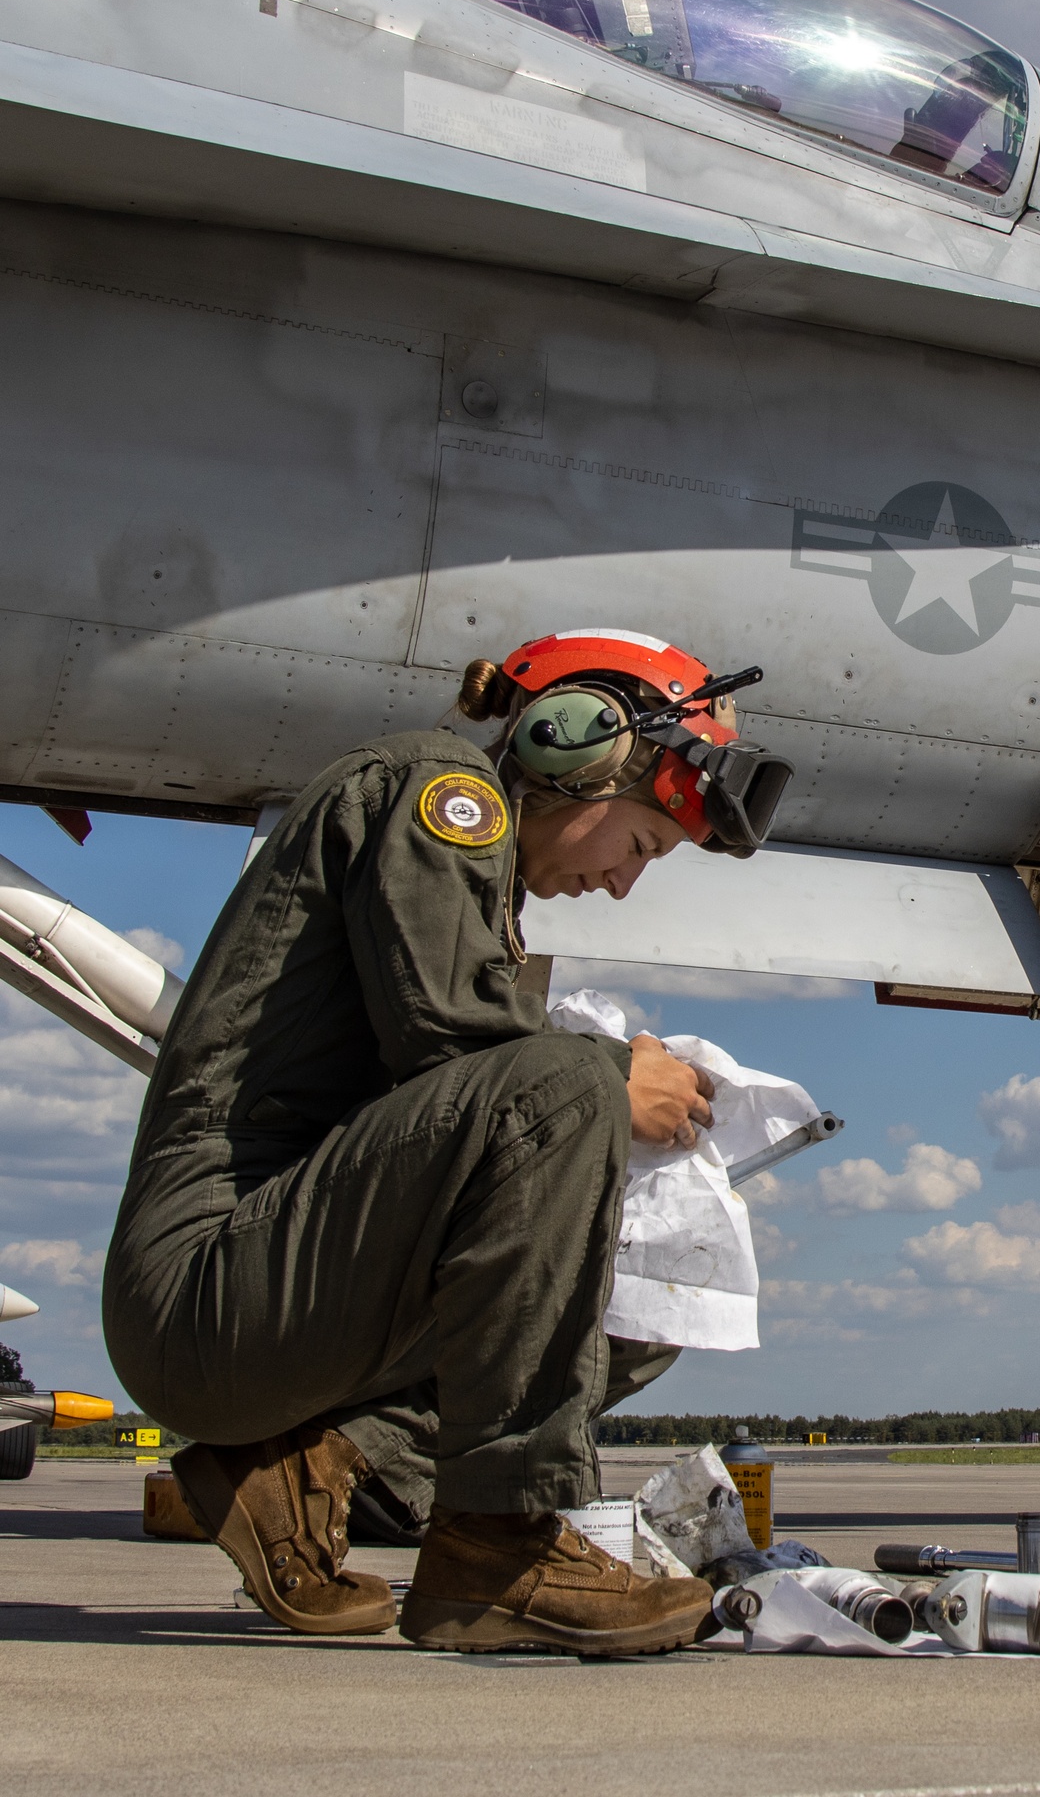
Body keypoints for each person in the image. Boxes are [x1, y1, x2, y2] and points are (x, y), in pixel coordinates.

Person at [102, 629, 792, 1656]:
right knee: (559, 1086)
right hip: (206, 1284)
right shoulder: (436, 789)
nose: (621, 883)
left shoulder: (485, 880)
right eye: (640, 845)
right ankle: (497, 1547)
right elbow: (454, 1044)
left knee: (644, 1295)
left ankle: (309, 1471)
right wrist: (612, 1082)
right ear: (581, 749)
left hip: (289, 1288)